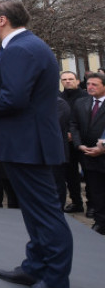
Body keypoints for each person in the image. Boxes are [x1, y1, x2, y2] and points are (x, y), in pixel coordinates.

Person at [0, 0, 73, 288]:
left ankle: (55, 284)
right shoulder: (25, 46)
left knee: (46, 214)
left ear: (2, 19)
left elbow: (15, 99)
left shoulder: (20, 49)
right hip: (26, 142)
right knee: (34, 212)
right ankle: (35, 268)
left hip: (29, 145)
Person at [71, 72, 105, 234]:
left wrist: (102, 147)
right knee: (95, 190)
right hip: (88, 154)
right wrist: (79, 145)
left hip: (103, 152)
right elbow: (74, 125)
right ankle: (100, 221)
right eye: (89, 84)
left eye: (95, 85)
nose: (90, 87)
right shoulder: (81, 102)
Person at [59, 70, 90, 214]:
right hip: (66, 142)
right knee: (70, 175)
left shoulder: (86, 97)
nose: (67, 81)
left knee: (89, 175)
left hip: (84, 141)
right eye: (64, 79)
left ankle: (92, 205)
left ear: (77, 81)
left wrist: (75, 134)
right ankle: (76, 202)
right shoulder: (59, 97)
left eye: (70, 79)